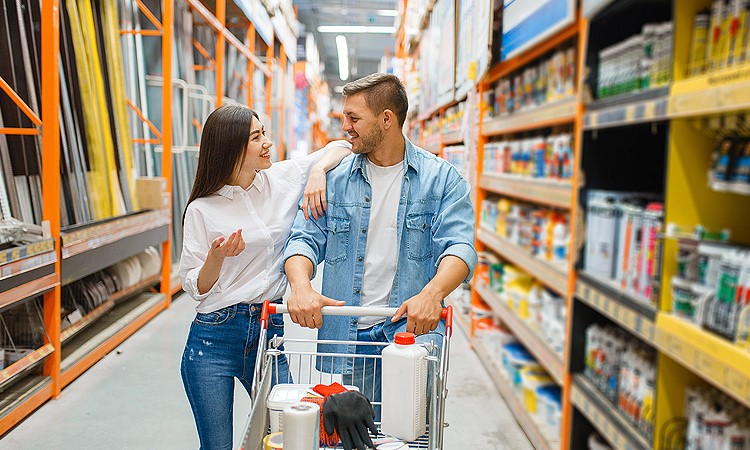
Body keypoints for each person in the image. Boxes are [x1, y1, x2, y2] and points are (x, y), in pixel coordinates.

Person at [282, 73, 477, 419]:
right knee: (366, 431)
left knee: (412, 429)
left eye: (353, 118)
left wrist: (432, 294)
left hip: (411, 331)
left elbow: (459, 248)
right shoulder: (335, 179)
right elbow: (304, 239)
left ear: (387, 119)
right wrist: (300, 285)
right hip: (353, 331)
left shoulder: (442, 179)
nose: (344, 127)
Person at [179, 104, 350, 450]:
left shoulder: (282, 178)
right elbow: (196, 287)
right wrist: (216, 256)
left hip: (267, 333)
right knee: (217, 447)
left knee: (290, 436)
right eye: (257, 137)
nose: (268, 143)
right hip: (215, 337)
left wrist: (317, 171)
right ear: (232, 148)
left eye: (264, 133)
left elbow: (341, 146)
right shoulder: (202, 209)